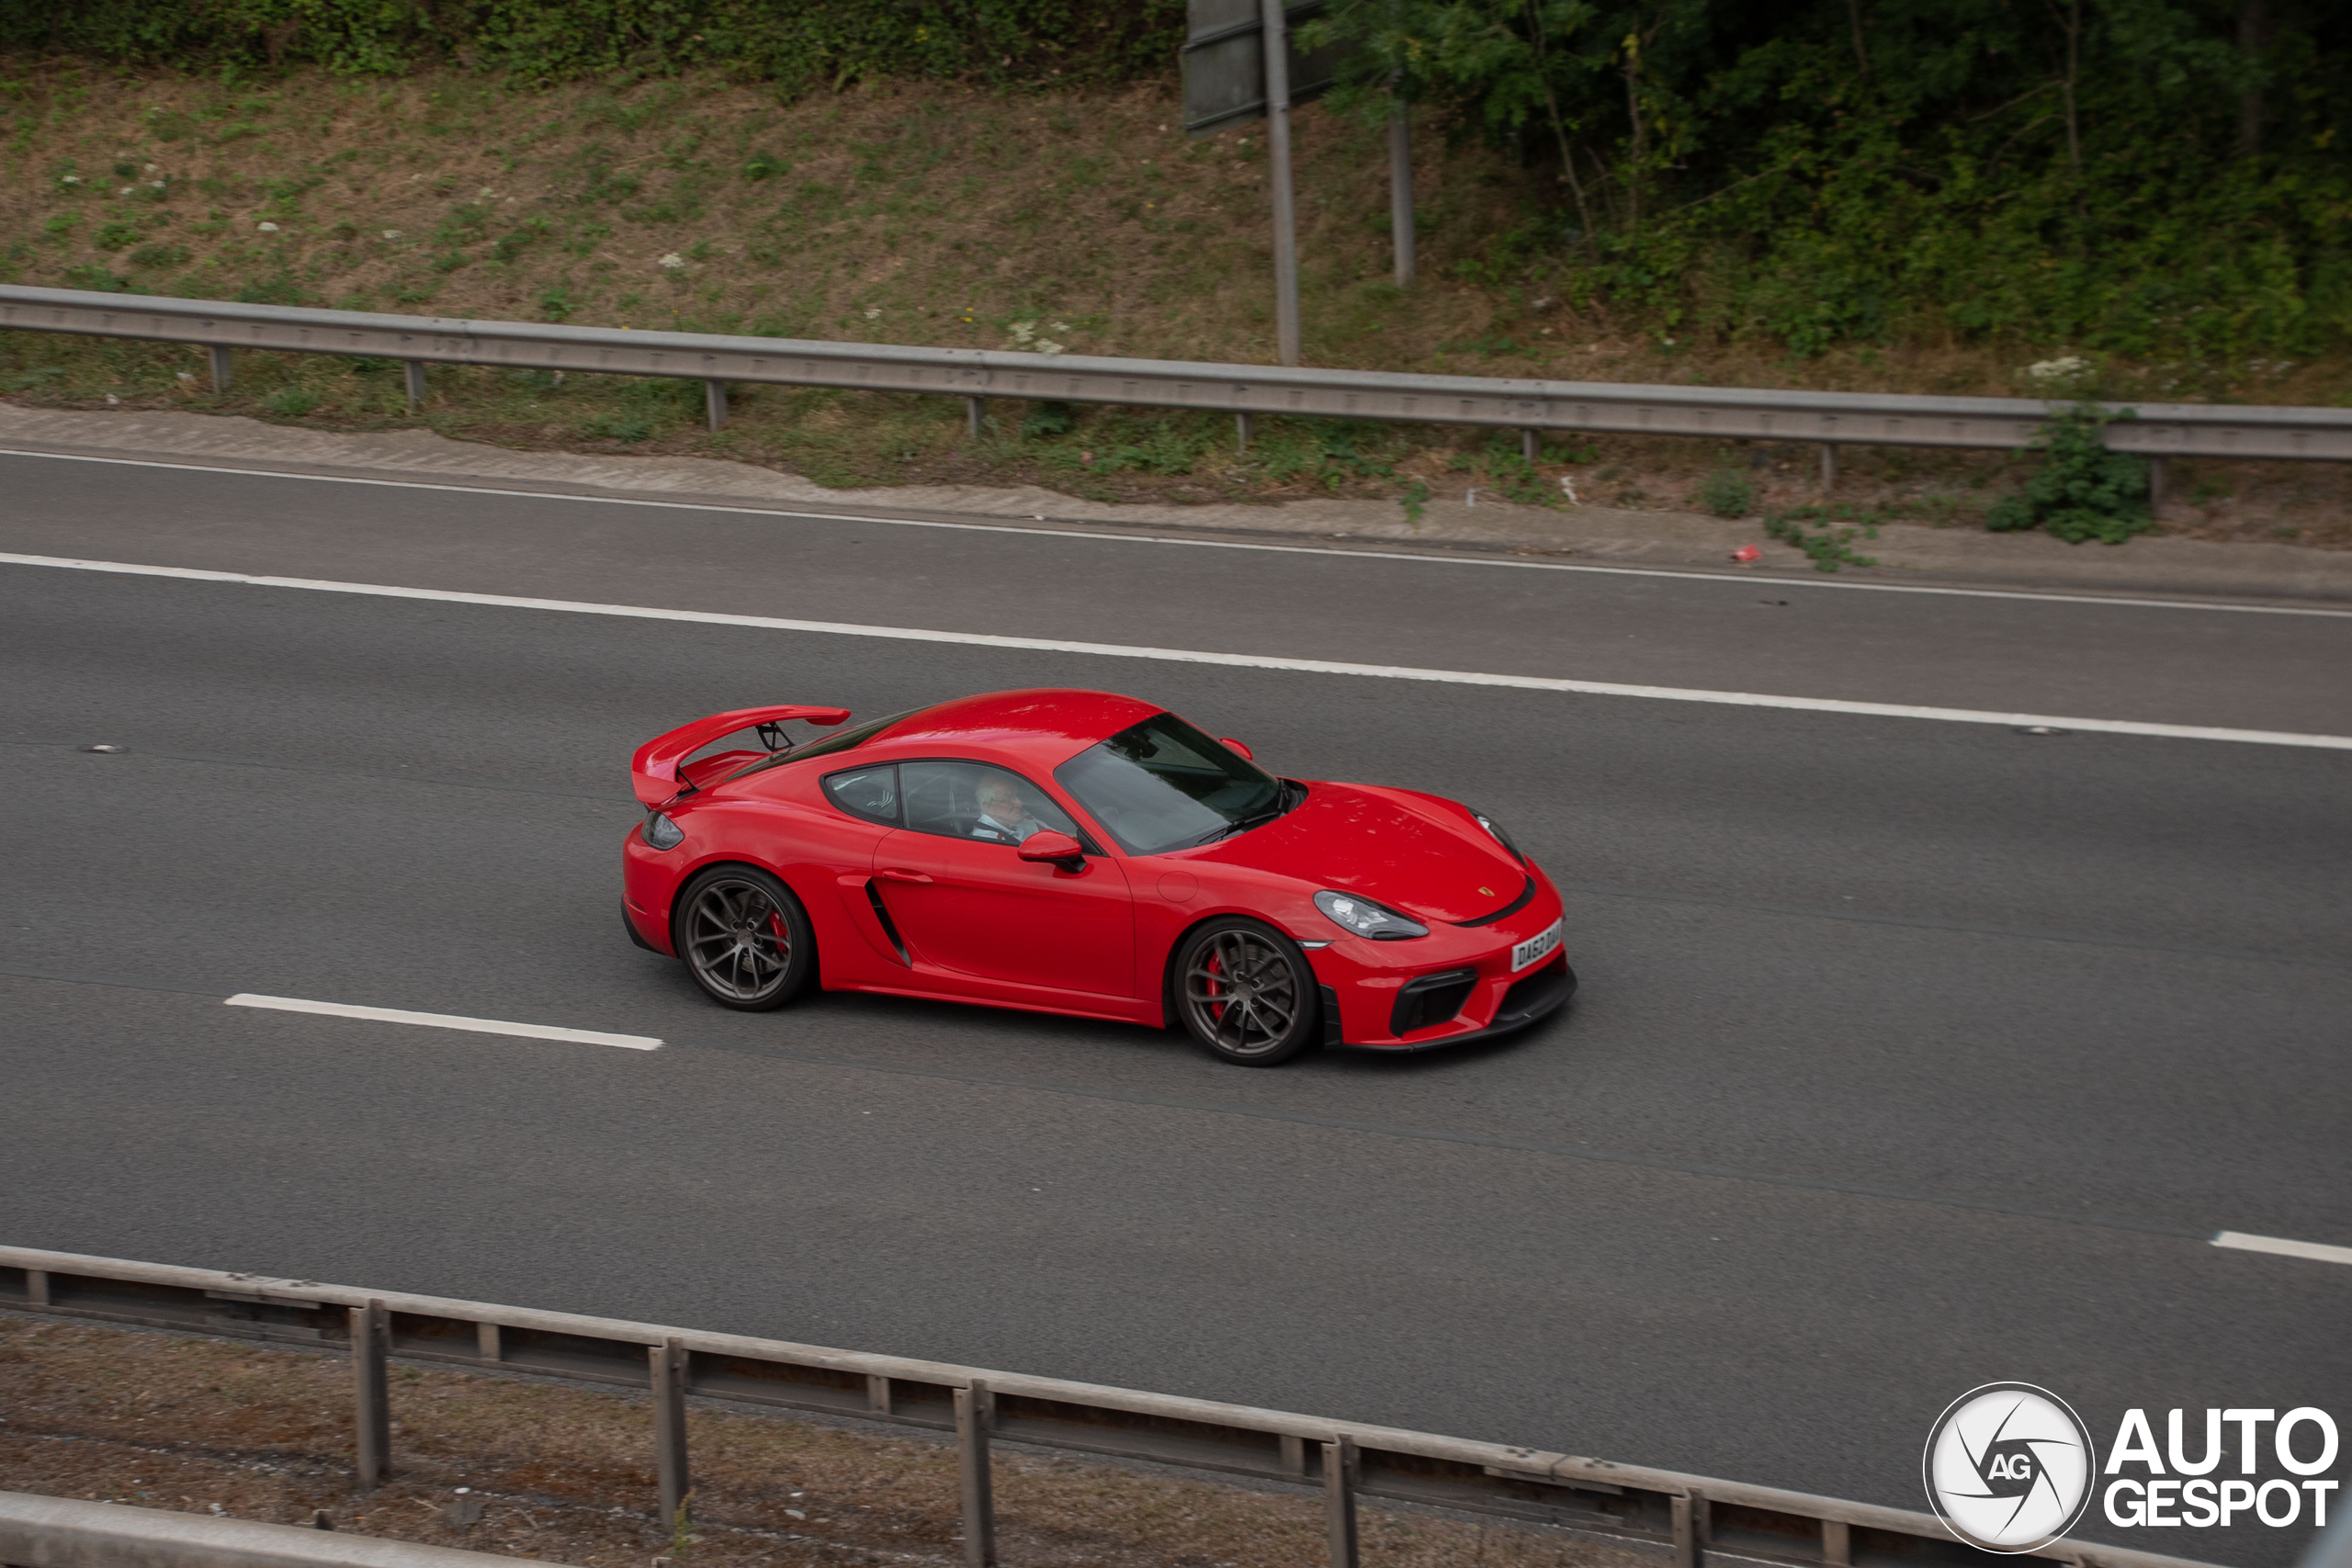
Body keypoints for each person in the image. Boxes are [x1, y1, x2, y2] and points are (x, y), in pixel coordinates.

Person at [973, 777, 1047, 845]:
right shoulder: (986, 841)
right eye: (1007, 800)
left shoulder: (1024, 817)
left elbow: (1056, 837)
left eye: (1017, 796)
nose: (1019, 804)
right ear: (988, 807)